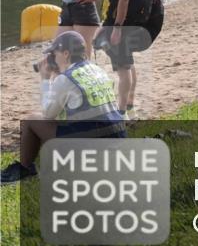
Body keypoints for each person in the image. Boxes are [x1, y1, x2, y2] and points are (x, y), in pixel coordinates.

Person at [0, 31, 125, 185]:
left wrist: (45, 79)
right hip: (117, 140)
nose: (53, 57)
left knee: (31, 120)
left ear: (66, 54)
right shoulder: (98, 70)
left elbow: (48, 114)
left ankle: (25, 169)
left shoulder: (66, 79)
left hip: (92, 148)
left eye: (54, 53)